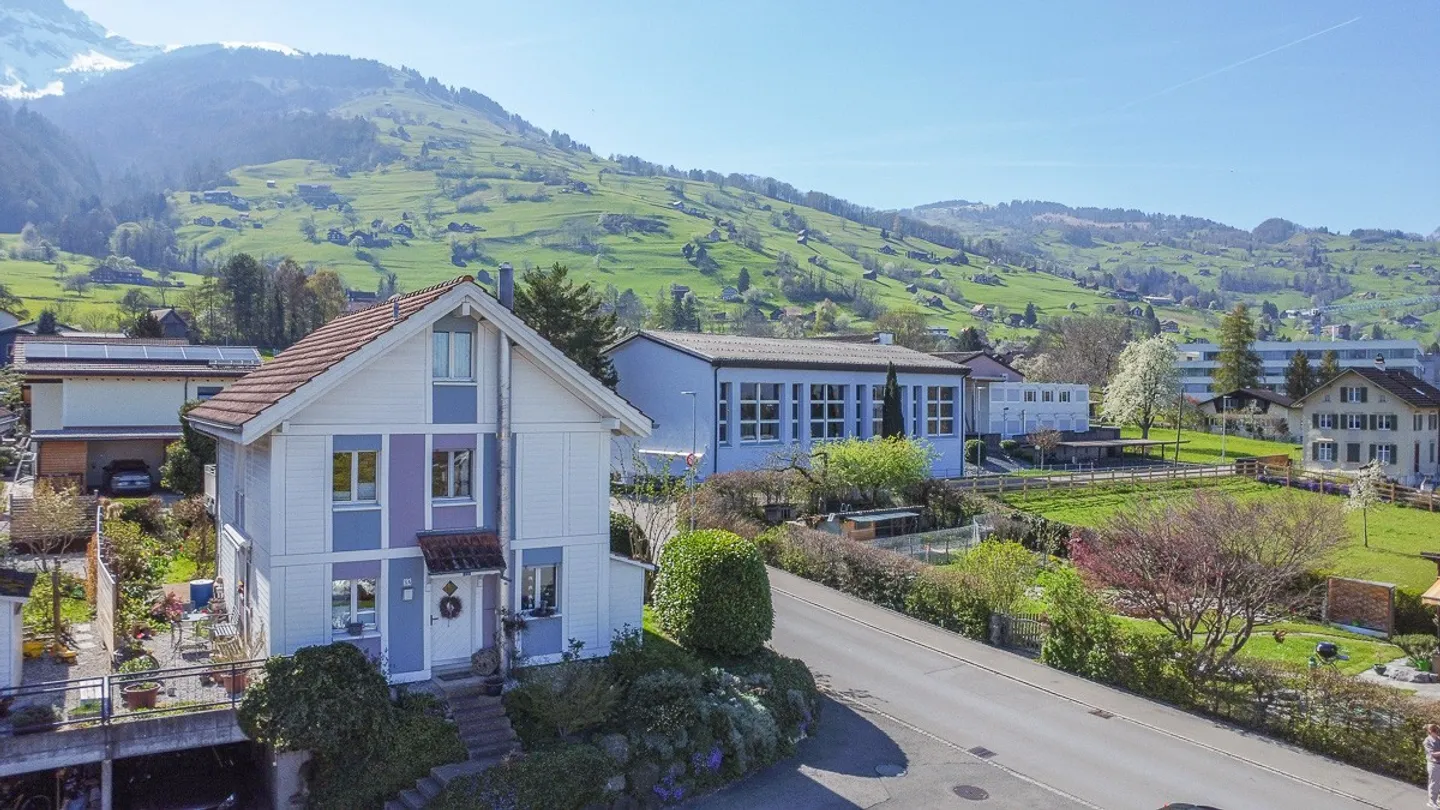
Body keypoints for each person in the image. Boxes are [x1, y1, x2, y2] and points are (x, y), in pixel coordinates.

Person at [1426, 723, 1440, 809]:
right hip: (1434, 764)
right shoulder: (1427, 741)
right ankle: (1431, 802)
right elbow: (1432, 754)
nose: (1437, 732)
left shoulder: (1438, 739)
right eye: (1435, 731)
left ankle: (1438, 800)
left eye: (1438, 730)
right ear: (1430, 731)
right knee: (1434, 784)